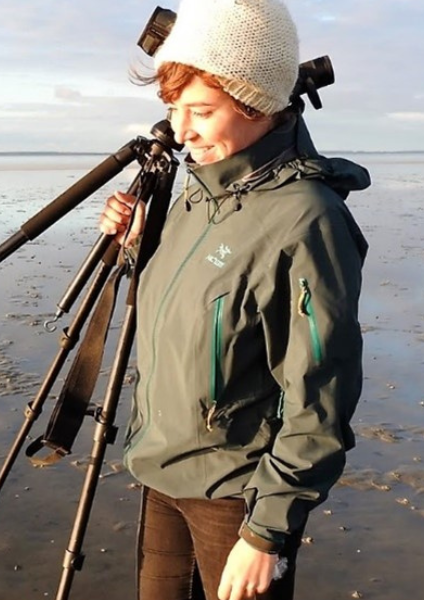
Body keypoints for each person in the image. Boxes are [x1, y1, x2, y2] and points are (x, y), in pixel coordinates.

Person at [98, 1, 370, 599]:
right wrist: (139, 244)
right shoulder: (197, 193)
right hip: (161, 466)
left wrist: (267, 532)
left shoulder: (308, 220)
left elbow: (321, 393)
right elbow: (192, 313)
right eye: (173, 108)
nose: (181, 130)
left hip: (239, 496)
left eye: (202, 110)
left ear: (260, 104)